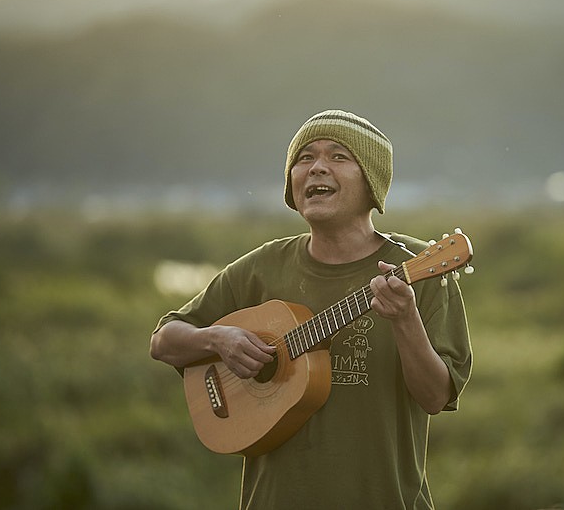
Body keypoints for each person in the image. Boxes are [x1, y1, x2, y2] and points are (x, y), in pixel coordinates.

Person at [150, 109, 473, 509]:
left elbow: (435, 397)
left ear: (371, 182)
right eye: (305, 158)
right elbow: (164, 340)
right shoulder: (262, 267)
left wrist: (405, 320)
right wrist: (219, 338)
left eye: (338, 157)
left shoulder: (419, 270)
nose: (317, 168)